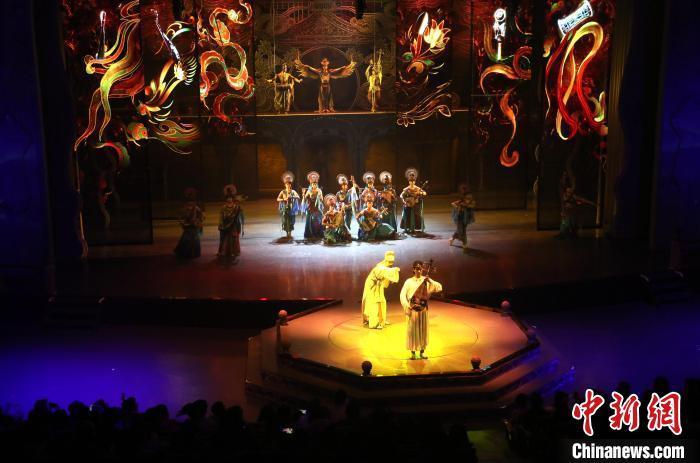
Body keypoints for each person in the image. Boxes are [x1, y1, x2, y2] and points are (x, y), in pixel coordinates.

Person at [399, 260, 443, 359]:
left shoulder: (425, 280)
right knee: (412, 331)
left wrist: (430, 281)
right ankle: (413, 353)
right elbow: (402, 295)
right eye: (417, 269)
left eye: (420, 269)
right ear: (413, 269)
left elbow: (439, 287)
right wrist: (407, 305)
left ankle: (422, 352)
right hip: (412, 309)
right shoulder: (409, 281)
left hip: (423, 309)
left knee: (423, 330)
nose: (419, 271)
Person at [361, 251, 400, 329]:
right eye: (390, 262)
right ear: (386, 260)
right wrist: (395, 270)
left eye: (392, 262)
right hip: (372, 287)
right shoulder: (380, 267)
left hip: (378, 285)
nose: (391, 264)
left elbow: (386, 276)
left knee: (382, 301)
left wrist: (391, 275)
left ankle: (382, 320)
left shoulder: (385, 267)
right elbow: (385, 271)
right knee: (373, 303)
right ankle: (374, 322)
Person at [174, 187, 204, 259]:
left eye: (192, 202)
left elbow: (201, 216)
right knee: (186, 238)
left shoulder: (196, 208)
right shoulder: (185, 208)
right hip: (187, 226)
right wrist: (182, 222)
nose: (190, 203)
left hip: (193, 226)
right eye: (189, 202)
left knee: (194, 239)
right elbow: (180, 216)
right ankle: (184, 253)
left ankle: (193, 253)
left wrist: (197, 222)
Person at [217, 184, 244, 258]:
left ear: (232, 199)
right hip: (225, 225)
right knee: (225, 238)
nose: (229, 199)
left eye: (230, 198)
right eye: (228, 198)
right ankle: (224, 251)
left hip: (233, 225)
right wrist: (220, 223)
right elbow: (221, 215)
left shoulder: (236, 207)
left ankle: (234, 251)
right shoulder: (223, 207)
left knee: (233, 238)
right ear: (226, 199)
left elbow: (240, 215)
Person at [400, 167, 427, 234]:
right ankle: (408, 227)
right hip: (408, 204)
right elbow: (401, 195)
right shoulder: (406, 189)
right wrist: (404, 200)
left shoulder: (417, 188)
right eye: (410, 181)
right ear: (409, 182)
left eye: (413, 181)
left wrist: (420, 193)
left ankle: (415, 227)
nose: (412, 182)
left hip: (416, 205)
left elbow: (424, 193)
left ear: (415, 181)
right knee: (407, 215)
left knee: (416, 215)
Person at [449, 184, 476, 251]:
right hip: (459, 217)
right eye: (467, 198)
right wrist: (458, 206)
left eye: (469, 198)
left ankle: (452, 239)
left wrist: (466, 205)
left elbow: (472, 205)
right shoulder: (462, 199)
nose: (468, 199)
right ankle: (465, 243)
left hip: (466, 217)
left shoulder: (470, 199)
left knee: (460, 229)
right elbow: (453, 204)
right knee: (462, 230)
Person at [276, 171, 300, 239]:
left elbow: (298, 197)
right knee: (285, 220)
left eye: (289, 184)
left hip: (291, 208)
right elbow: (278, 199)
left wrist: (292, 197)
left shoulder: (293, 191)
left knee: (291, 220)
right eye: (287, 184)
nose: (288, 185)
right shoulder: (282, 192)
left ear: (290, 185)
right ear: (285, 185)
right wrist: (283, 199)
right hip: (285, 208)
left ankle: (290, 232)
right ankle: (287, 232)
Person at [302, 171, 324, 240]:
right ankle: (310, 234)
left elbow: (322, 199)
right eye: (313, 184)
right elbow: (305, 199)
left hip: (317, 208)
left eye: (315, 184)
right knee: (309, 220)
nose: (314, 185)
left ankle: (318, 233)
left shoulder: (319, 190)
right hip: (310, 207)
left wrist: (319, 196)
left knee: (318, 219)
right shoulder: (309, 191)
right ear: (311, 184)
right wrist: (303, 194)